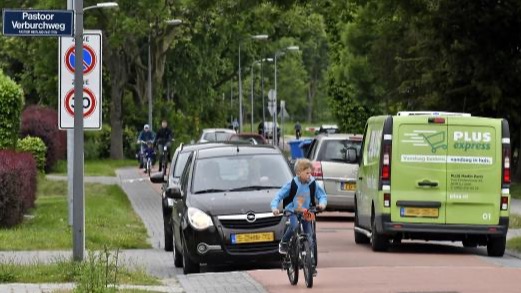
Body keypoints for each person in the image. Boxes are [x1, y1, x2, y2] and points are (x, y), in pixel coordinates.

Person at [270, 158, 327, 258]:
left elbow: (322, 195)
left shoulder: (313, 183)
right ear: (299, 173)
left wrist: (322, 204)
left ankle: (310, 260)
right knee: (294, 226)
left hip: (306, 211)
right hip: (292, 211)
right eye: (307, 173)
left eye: (310, 173)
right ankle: (284, 242)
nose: (310, 175)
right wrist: (274, 207)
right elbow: (278, 195)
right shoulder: (292, 184)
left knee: (309, 234)